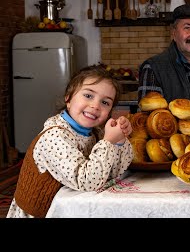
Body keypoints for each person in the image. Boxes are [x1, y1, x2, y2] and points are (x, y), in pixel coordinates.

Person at [7, 64, 133, 218]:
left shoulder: (95, 133)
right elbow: (87, 181)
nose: (95, 106)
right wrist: (108, 142)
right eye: (88, 95)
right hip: (42, 214)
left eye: (105, 102)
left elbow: (113, 172)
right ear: (68, 98)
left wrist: (119, 141)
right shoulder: (54, 137)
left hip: (73, 209)